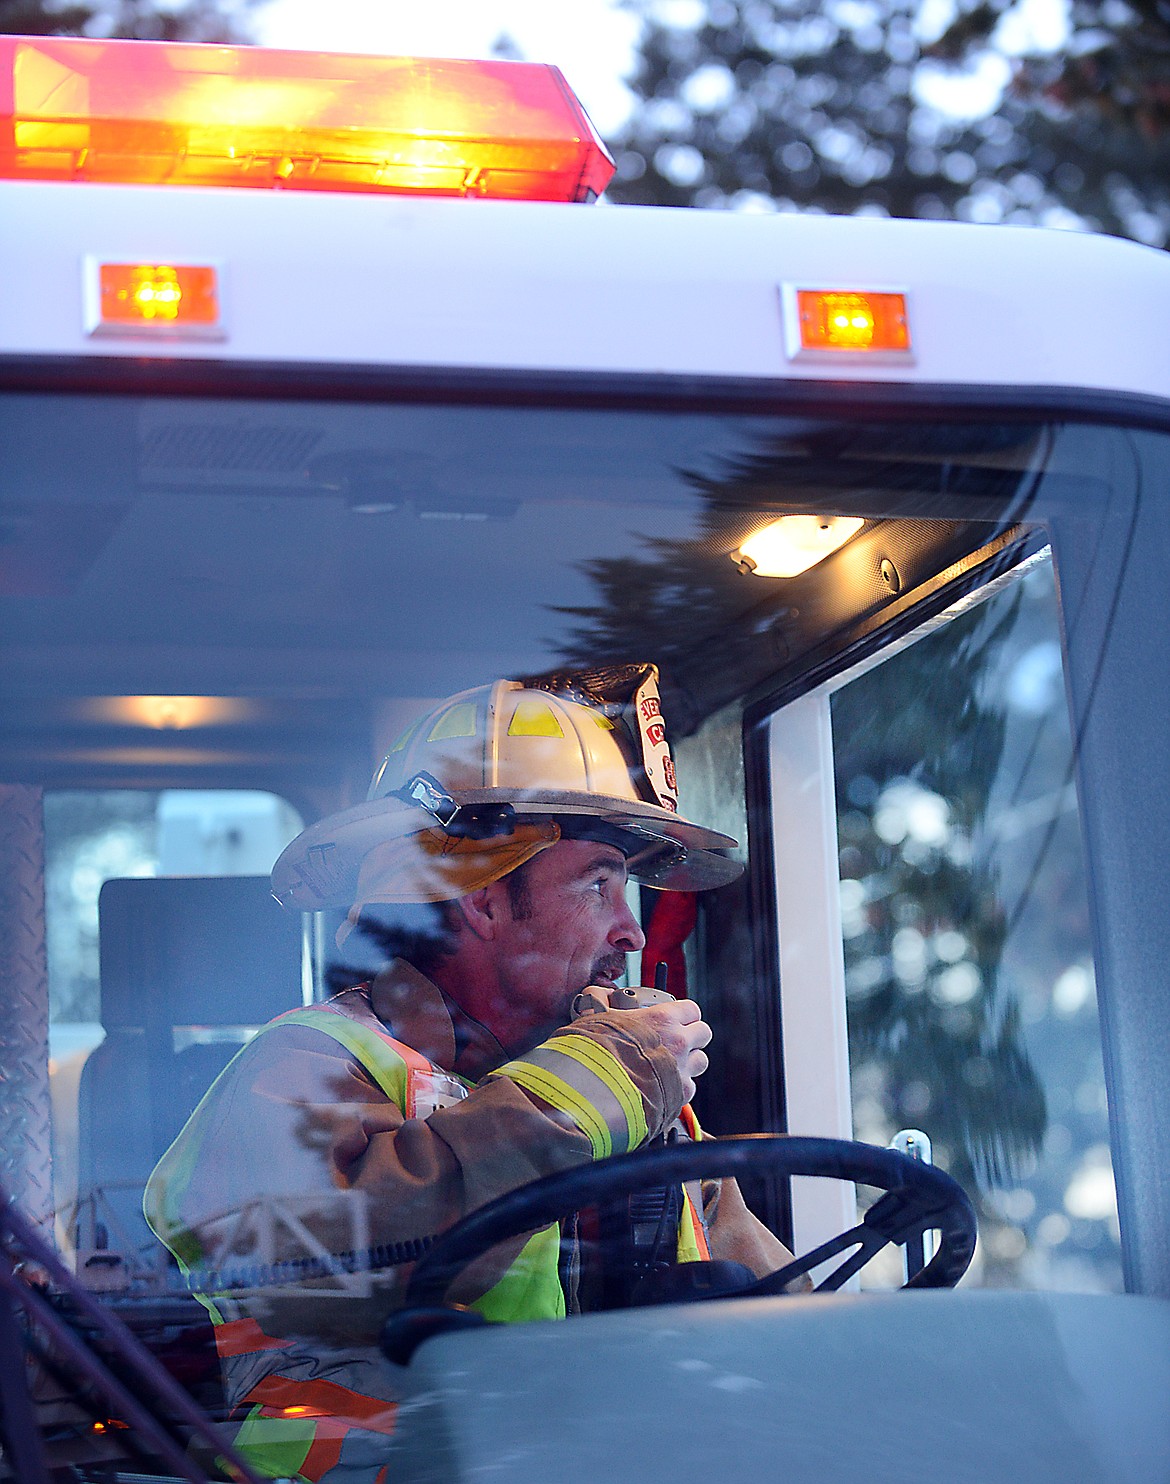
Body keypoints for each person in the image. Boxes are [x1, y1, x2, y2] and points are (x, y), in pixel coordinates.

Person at [144, 664, 794, 1484]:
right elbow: (349, 1277)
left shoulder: (621, 1088)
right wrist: (592, 1090)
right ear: (482, 897)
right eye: (599, 884)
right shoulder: (303, 1069)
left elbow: (775, 1302)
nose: (632, 932)